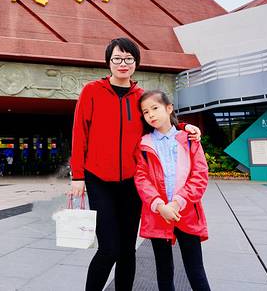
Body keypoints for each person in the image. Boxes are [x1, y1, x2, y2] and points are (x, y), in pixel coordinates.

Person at [70, 38, 201, 291]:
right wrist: (78, 176)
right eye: (117, 59)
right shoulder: (92, 91)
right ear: (108, 62)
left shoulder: (141, 97)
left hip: (133, 182)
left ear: (135, 63)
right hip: (99, 179)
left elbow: (161, 121)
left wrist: (184, 127)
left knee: (128, 251)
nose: (123, 64)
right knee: (109, 249)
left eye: (128, 59)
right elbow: (79, 133)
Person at [135, 90, 210, 291]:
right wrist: (160, 206)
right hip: (158, 214)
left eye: (155, 108)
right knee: (163, 269)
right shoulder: (143, 144)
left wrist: (177, 202)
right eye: (145, 112)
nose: (150, 114)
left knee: (195, 269)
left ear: (169, 109)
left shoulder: (189, 139)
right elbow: (141, 179)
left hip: (186, 213)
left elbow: (200, 175)